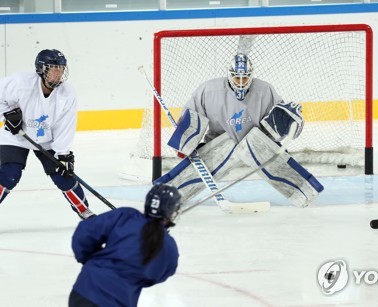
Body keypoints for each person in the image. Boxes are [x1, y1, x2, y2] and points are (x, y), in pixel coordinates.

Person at [156, 53, 323, 208]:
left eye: (245, 78)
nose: (241, 82)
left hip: (255, 144)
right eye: (237, 77)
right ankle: (165, 195)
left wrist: (291, 125)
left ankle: (304, 192)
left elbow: (282, 124)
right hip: (221, 144)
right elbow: (191, 117)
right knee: (220, 151)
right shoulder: (209, 90)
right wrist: (185, 142)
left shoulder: (265, 90)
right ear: (229, 74)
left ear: (251, 75)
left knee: (257, 145)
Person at [0, 49, 94, 219]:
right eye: (53, 68)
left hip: (47, 140)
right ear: (41, 69)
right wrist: (7, 112)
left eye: (61, 69)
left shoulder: (67, 93)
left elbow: (66, 125)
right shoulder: (20, 83)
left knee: (63, 177)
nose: (58, 74)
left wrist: (63, 154)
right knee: (10, 175)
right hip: (16, 136)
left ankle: (84, 211)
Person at [69, 184, 181, 307]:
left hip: (84, 291)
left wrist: (91, 261)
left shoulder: (126, 215)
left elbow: (85, 233)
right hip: (119, 300)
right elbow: (157, 276)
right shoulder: (169, 247)